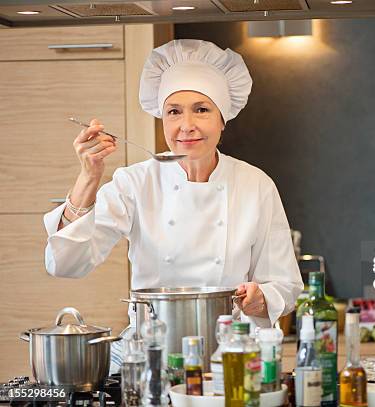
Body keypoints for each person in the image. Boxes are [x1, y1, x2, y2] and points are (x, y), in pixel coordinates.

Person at [43, 39, 303, 335]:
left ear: (223, 119)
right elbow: (64, 264)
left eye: (202, 109)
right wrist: (89, 176)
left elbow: (285, 285)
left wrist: (261, 299)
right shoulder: (135, 183)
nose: (186, 125)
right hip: (153, 348)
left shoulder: (255, 184)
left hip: (233, 351)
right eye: (174, 111)